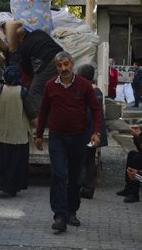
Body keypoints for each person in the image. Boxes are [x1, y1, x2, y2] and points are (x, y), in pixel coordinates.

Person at [35, 51, 103, 233]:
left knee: (75, 177)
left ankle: (72, 210)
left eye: (66, 64)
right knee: (58, 175)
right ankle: (59, 215)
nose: (63, 68)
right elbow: (43, 112)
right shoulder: (50, 86)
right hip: (57, 137)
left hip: (79, 137)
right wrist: (39, 134)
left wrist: (96, 132)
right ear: (56, 67)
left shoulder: (85, 86)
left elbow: (96, 110)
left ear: (72, 64)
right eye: (59, 65)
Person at [0, 65, 38, 196]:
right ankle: (13, 187)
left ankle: (3, 184)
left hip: (2, 134)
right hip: (18, 135)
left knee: (3, 161)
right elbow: (31, 113)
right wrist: (39, 126)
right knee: (16, 163)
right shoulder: (23, 91)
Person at [76, 64, 108, 200]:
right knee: (89, 160)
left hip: (87, 133)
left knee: (83, 160)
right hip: (93, 133)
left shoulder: (86, 90)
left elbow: (89, 114)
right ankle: (87, 189)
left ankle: (84, 187)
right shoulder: (97, 91)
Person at [13, 28, 63, 113]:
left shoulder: (24, 46)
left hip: (49, 63)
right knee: (56, 89)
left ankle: (45, 120)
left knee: (34, 92)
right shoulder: (39, 32)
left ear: (20, 37)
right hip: (62, 56)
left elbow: (27, 69)